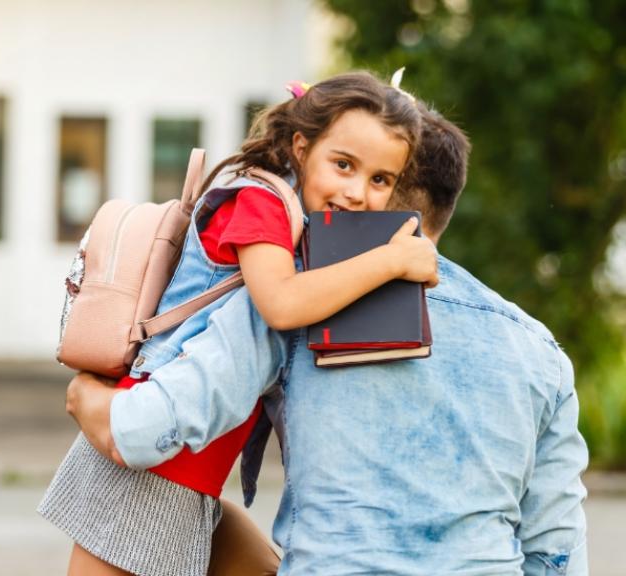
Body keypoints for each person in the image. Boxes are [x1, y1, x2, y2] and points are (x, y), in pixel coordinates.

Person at [67, 107, 590, 575]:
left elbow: (145, 430)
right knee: (210, 526)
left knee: (190, 524)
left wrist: (88, 396)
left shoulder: (301, 299)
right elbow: (556, 552)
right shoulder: (539, 351)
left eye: (372, 175)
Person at [39, 72, 441, 576]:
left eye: (380, 180)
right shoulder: (261, 202)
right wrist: (391, 261)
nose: (358, 192)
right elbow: (281, 303)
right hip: (157, 459)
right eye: (343, 165)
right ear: (300, 145)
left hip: (190, 466)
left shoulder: (302, 220)